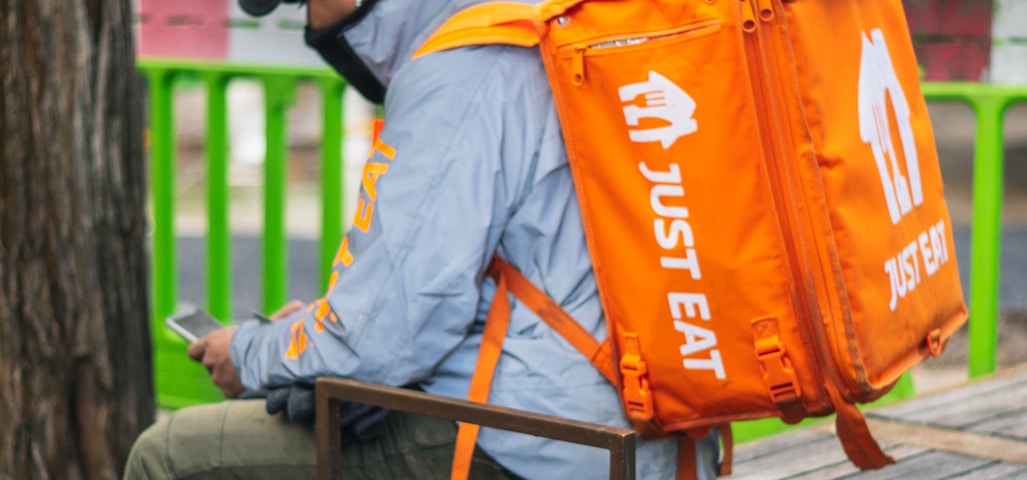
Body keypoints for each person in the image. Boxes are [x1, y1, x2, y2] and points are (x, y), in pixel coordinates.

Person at [124, 0, 720, 478]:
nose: (308, 22)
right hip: (659, 440)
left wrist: (250, 351)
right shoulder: (536, 29)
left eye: (304, 3)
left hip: (546, 446)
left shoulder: (460, 72)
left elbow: (376, 341)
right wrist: (320, 336)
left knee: (169, 452)